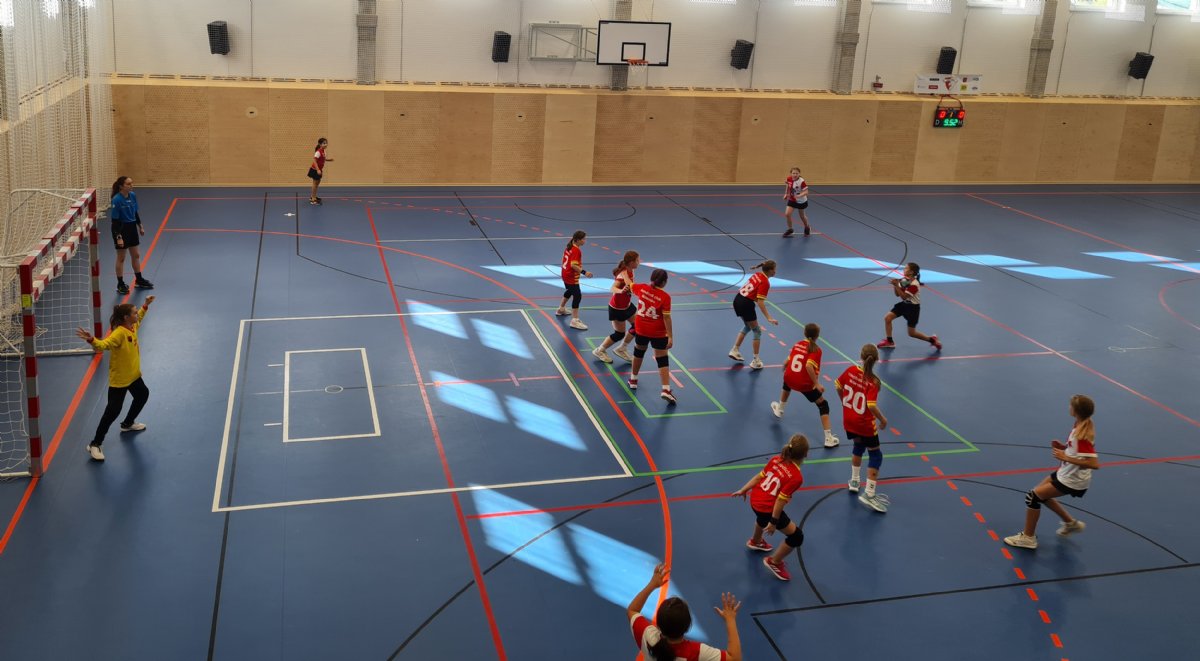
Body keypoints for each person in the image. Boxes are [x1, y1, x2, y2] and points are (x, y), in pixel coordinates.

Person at [1005, 395, 1098, 550]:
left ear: (1076, 411)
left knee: (1033, 497)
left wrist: (1065, 456)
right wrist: (1064, 447)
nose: (1069, 407)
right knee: (1040, 494)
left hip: (1072, 479)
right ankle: (1071, 524)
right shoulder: (1080, 424)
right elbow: (1077, 449)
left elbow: (1094, 464)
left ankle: (1028, 538)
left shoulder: (1081, 435)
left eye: (1071, 405)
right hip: (1066, 472)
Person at [75, 297, 155, 462]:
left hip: (133, 376)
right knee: (112, 412)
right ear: (126, 317)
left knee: (142, 395)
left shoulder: (132, 326)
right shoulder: (119, 333)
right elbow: (104, 345)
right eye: (134, 313)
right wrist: (91, 339)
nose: (137, 315)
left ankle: (127, 424)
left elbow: (140, 317)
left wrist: (145, 305)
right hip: (120, 380)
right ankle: (95, 444)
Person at [626, 563, 743, 661]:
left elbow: (632, 609)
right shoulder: (696, 652)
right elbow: (735, 658)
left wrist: (652, 585)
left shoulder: (648, 637)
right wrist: (730, 620)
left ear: (659, 625)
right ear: (688, 626)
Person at [732, 434, 809, 581]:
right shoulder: (796, 477)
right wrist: (773, 522)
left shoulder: (776, 459)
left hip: (755, 499)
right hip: (767, 508)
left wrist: (744, 489)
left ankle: (756, 541)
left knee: (761, 517)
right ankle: (774, 562)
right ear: (806, 454)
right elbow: (780, 501)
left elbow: (759, 477)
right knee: (797, 537)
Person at [836, 344, 890, 512]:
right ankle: (870, 494)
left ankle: (854, 481)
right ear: (876, 360)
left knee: (858, 446)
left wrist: (844, 402)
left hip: (849, 420)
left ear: (861, 356)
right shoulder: (873, 382)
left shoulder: (850, 370)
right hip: (864, 424)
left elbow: (838, 385)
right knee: (876, 455)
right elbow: (871, 405)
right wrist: (882, 419)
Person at [771, 323, 839, 448]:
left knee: (787, 382)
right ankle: (829, 438)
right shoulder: (816, 350)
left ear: (804, 333)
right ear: (817, 336)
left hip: (789, 378)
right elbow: (808, 365)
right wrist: (816, 384)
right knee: (823, 405)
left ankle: (780, 409)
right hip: (804, 384)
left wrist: (785, 367)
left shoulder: (797, 344)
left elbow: (787, 361)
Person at [629, 268, 676, 404]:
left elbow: (630, 285)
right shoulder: (665, 297)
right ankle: (666, 389)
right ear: (664, 282)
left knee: (638, 353)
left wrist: (624, 273)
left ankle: (633, 379)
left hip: (641, 329)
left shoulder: (642, 288)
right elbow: (666, 318)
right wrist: (670, 336)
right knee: (662, 359)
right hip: (658, 332)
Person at [876, 262, 941, 351]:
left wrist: (896, 285)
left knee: (911, 333)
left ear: (911, 272)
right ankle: (890, 341)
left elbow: (904, 296)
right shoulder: (905, 281)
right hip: (904, 305)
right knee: (888, 318)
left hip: (913, 309)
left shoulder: (914, 284)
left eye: (906, 268)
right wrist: (895, 285)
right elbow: (897, 294)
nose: (904, 269)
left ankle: (932, 340)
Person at [728, 260, 778, 370]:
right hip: (746, 304)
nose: (775, 271)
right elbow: (760, 302)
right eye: (774, 269)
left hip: (738, 299)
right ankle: (756, 361)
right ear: (770, 270)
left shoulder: (757, 274)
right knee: (757, 331)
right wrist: (769, 317)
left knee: (747, 326)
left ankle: (735, 350)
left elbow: (753, 295)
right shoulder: (765, 282)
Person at [109, 176, 153, 295]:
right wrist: (118, 237)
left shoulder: (132, 195)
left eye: (131, 183)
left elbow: (134, 212)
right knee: (121, 258)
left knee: (136, 255)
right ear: (121, 186)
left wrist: (140, 225)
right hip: (121, 229)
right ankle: (120, 284)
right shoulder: (116, 200)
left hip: (132, 227)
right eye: (128, 184)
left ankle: (139, 280)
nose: (131, 185)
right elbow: (115, 221)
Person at [592, 250, 639, 364]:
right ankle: (599, 350)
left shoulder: (631, 270)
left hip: (627, 305)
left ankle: (622, 348)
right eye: (637, 260)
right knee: (619, 334)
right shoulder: (621, 276)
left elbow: (631, 285)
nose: (639, 262)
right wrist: (621, 291)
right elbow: (612, 288)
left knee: (638, 326)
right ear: (631, 262)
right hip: (617, 309)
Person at [555, 230, 593, 330]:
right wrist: (585, 272)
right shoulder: (576, 250)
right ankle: (574, 320)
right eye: (583, 239)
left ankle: (561, 309)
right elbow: (573, 265)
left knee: (570, 291)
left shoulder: (570, 246)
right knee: (577, 295)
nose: (585, 241)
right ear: (578, 240)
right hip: (571, 276)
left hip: (565, 274)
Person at [782, 166, 812, 237]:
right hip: (792, 199)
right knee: (787, 214)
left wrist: (799, 196)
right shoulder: (789, 178)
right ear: (791, 173)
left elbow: (806, 192)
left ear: (799, 174)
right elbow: (788, 185)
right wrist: (786, 193)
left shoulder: (801, 181)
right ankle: (790, 229)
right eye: (793, 173)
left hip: (801, 201)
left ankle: (807, 227)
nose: (795, 175)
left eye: (797, 173)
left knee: (802, 216)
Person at [307, 138, 334, 205]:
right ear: (320, 144)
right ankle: (313, 199)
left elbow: (323, 159)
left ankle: (313, 196)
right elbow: (314, 161)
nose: (325, 144)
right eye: (324, 143)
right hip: (315, 170)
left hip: (319, 169)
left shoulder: (323, 151)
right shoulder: (318, 152)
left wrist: (329, 160)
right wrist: (318, 169)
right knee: (315, 183)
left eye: (326, 143)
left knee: (317, 183)